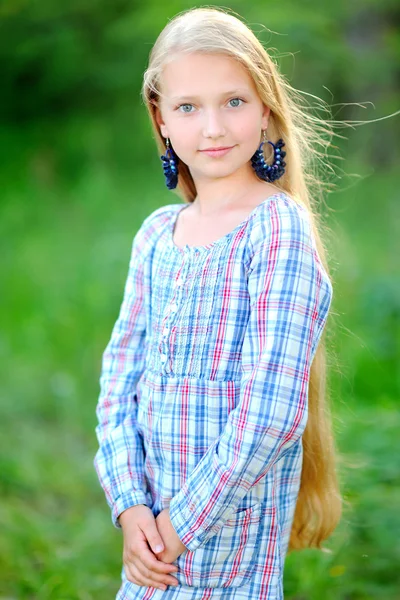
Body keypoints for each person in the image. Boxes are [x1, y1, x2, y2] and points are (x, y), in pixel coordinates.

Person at [93, 7, 343, 599]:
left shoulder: (277, 231)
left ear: (265, 108)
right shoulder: (157, 236)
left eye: (234, 101)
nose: (212, 128)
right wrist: (131, 510)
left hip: (225, 561)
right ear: (161, 119)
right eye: (188, 107)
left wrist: (178, 529)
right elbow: (117, 385)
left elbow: (272, 413)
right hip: (151, 559)